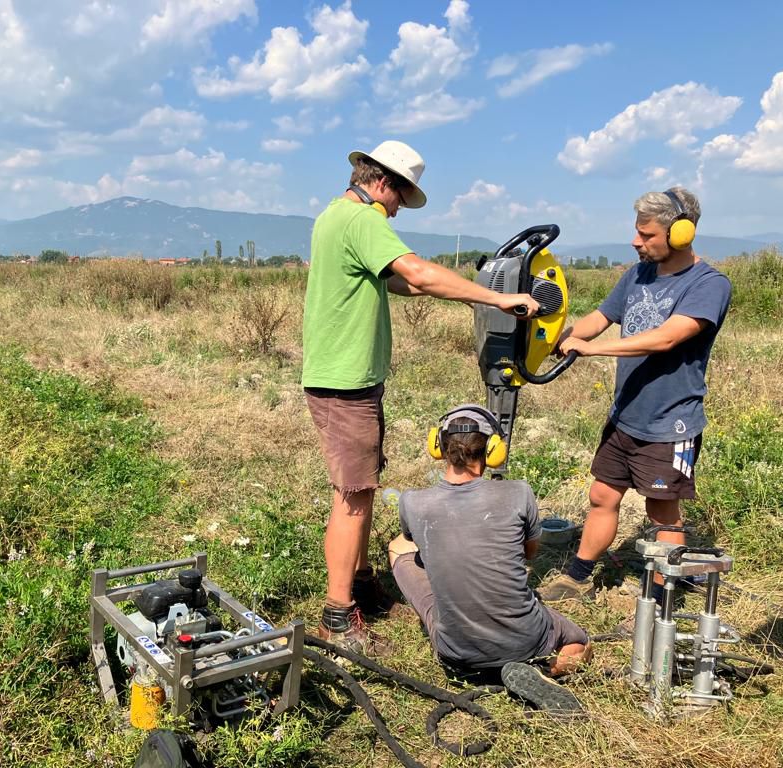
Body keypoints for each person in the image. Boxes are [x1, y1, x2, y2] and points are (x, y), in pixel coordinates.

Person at [303, 139, 540, 653]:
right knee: (353, 498)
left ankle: (361, 582)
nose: (396, 211)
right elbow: (418, 273)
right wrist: (498, 297)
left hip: (345, 379)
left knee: (359, 488)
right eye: (399, 199)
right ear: (384, 182)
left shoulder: (333, 217)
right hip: (345, 384)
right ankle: (338, 618)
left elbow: (402, 283)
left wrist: (465, 285)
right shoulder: (365, 222)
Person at [538, 187, 732, 603]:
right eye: (636, 232)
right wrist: (560, 339)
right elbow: (601, 316)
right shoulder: (637, 274)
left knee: (661, 511)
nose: (636, 241)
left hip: (669, 422)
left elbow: (666, 338)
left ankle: (663, 598)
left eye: (647, 235)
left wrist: (592, 349)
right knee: (602, 495)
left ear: (680, 233)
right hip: (626, 414)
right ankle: (578, 577)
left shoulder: (708, 284)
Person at [387, 405, 592, 685]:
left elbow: (417, 547)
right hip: (528, 641)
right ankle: (545, 671)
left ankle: (489, 670)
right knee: (579, 643)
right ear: (493, 450)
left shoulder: (412, 501)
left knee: (397, 547)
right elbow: (528, 554)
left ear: (437, 446)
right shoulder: (520, 492)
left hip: (457, 653)